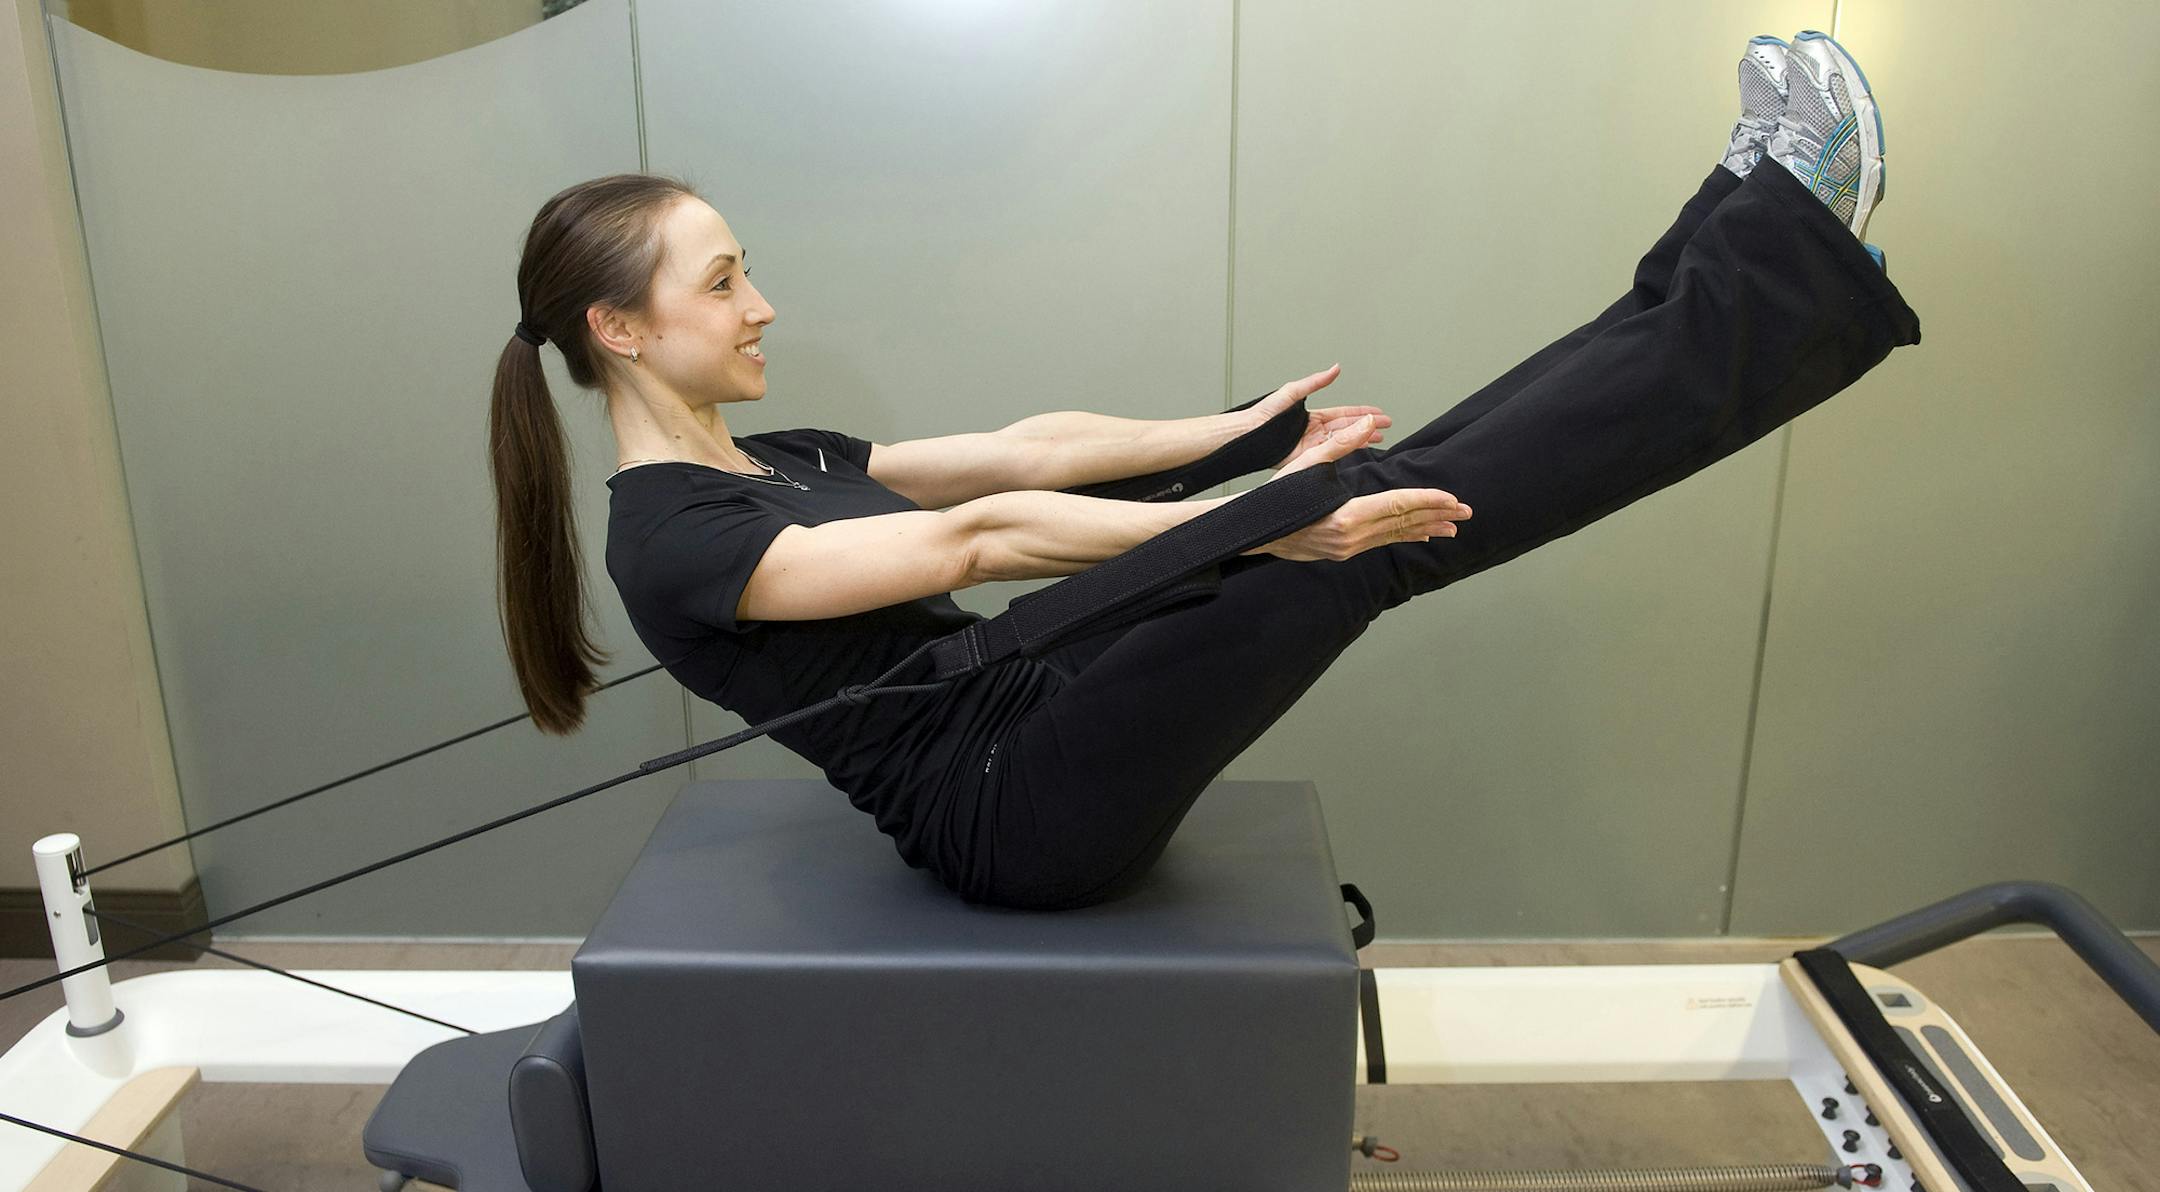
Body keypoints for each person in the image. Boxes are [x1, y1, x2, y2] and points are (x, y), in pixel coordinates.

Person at [488, 32, 1917, 911]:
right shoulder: (668, 540)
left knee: (1369, 490)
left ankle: (1754, 217)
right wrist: (1258, 518)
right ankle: (1785, 261)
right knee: (1374, 533)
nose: (761, 305)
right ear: (618, 329)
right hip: (1011, 807)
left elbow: (1022, 454)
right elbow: (975, 543)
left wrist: (1243, 438)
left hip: (1033, 699)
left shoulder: (772, 457)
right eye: (726, 279)